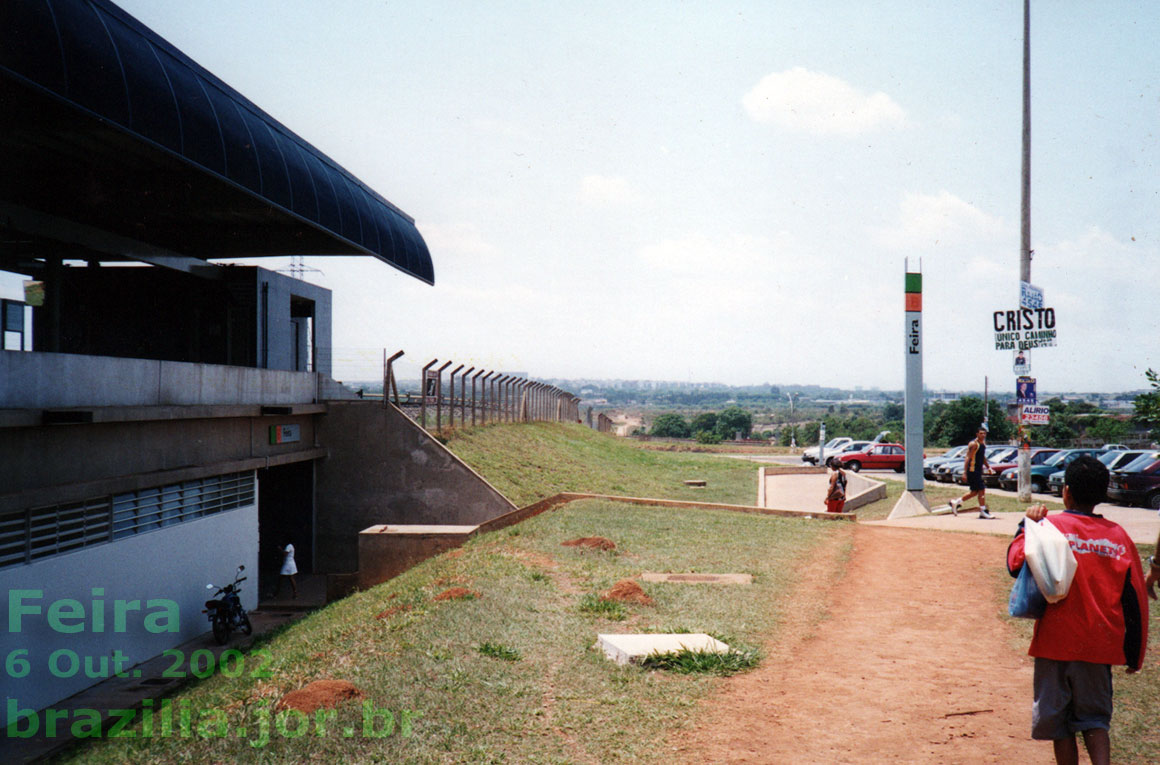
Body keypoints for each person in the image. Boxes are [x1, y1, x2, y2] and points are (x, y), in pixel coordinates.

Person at [1005, 455, 1148, 765]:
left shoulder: (1049, 525)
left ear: (1065, 491)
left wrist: (1026, 524)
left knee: (1059, 723)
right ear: (1104, 494)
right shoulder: (1119, 537)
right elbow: (1135, 599)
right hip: (1100, 645)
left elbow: (1015, 562)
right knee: (1095, 720)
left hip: (1056, 642)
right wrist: (1135, 652)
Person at [949, 427, 994, 519]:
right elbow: (967, 457)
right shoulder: (973, 444)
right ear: (977, 434)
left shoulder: (983, 444)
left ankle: (956, 502)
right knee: (981, 490)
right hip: (972, 470)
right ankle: (983, 511)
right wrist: (965, 472)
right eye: (981, 433)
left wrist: (988, 467)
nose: (983, 435)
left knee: (974, 492)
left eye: (984, 433)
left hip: (978, 470)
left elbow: (982, 457)